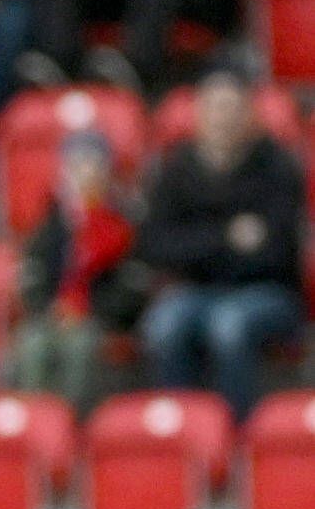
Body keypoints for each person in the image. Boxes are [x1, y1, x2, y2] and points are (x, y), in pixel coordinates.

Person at [128, 73, 306, 414]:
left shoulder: (278, 168)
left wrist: (196, 247)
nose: (222, 118)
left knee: (229, 325)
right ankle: (182, 426)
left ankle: (236, 433)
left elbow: (276, 253)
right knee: (164, 324)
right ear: (198, 116)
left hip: (268, 292)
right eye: (213, 108)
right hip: (195, 291)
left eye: (232, 109)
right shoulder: (177, 170)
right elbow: (154, 245)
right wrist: (227, 237)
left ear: (250, 115)